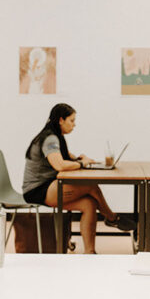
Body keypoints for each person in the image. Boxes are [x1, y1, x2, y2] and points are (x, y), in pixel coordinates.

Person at [22, 103, 135, 254]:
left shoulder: (56, 136)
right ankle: (112, 218)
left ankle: (90, 251)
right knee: (91, 186)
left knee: (89, 203)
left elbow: (67, 156)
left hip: (49, 185)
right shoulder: (50, 139)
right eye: (72, 120)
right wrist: (81, 163)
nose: (74, 125)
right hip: (37, 190)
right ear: (61, 120)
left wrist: (80, 158)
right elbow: (60, 165)